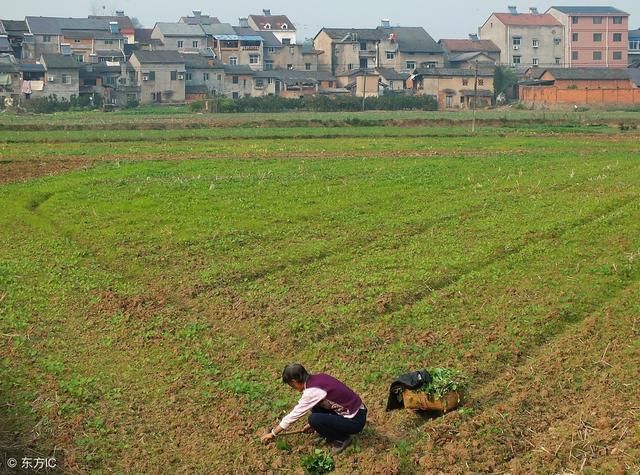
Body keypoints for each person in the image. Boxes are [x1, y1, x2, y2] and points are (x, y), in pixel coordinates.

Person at [261, 364, 367, 454]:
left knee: (314, 419)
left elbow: (294, 414)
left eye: (291, 385)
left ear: (294, 381)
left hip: (355, 421)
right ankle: (326, 431)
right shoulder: (319, 377)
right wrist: (313, 426)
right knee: (316, 406)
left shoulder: (312, 391)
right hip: (356, 410)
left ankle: (342, 438)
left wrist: (273, 433)